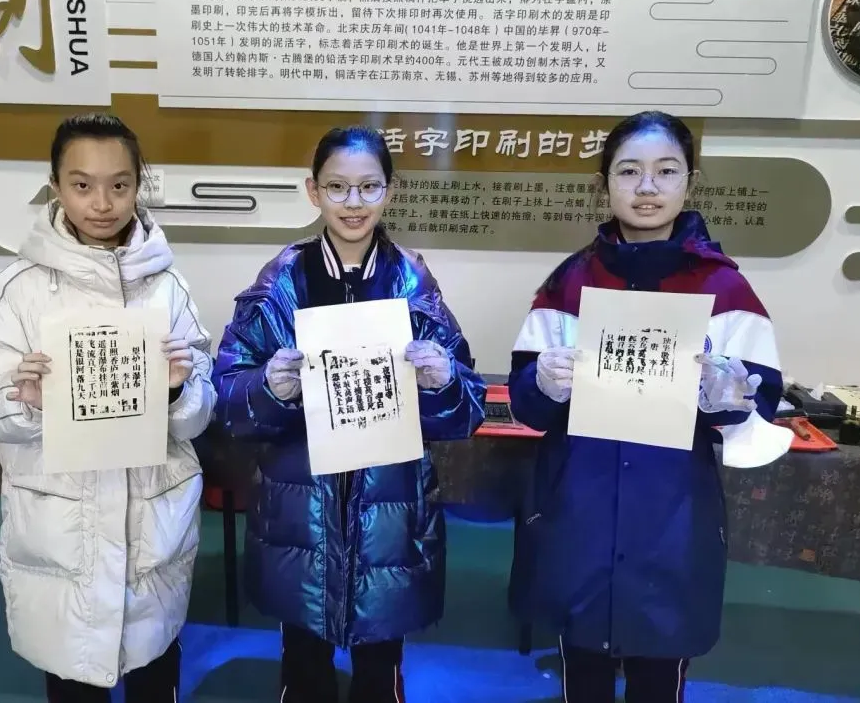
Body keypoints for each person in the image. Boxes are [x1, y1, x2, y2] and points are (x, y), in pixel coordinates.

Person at [507, 111, 783, 703]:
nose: (648, 187)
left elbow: (760, 406)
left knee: (659, 670)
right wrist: (544, 384)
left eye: (666, 171)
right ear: (604, 183)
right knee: (582, 667)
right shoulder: (567, 284)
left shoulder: (725, 290)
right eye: (629, 171)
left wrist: (729, 399)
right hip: (579, 507)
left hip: (672, 515)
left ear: (690, 182)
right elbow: (526, 403)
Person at [212, 126, 487, 703]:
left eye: (368, 187)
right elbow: (229, 397)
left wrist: (441, 380)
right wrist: (270, 387)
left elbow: (466, 409)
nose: (353, 202)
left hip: (389, 516)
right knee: (304, 670)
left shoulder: (412, 283)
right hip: (300, 516)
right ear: (313, 191)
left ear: (390, 190)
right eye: (337, 187)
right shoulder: (281, 283)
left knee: (380, 673)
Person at [0, 113, 215, 703]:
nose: (102, 203)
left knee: (154, 673)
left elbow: (200, 417)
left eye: (119, 185)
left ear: (139, 184)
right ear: (55, 186)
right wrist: (27, 403)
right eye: (82, 185)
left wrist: (177, 391)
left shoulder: (167, 285)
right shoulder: (21, 288)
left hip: (151, 528)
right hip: (62, 534)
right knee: (72, 679)